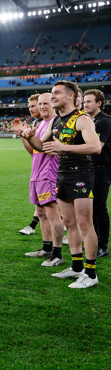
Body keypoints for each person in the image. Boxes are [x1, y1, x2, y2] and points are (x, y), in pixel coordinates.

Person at [22, 80, 101, 288]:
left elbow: (95, 147)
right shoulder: (57, 122)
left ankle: (91, 274)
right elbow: (41, 146)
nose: (53, 96)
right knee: (69, 223)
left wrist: (63, 148)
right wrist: (30, 137)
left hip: (81, 174)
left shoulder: (82, 119)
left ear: (70, 96)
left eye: (56, 93)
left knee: (85, 224)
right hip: (62, 174)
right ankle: (76, 268)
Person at [13, 93, 65, 266]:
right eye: (40, 104)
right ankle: (46, 248)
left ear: (54, 103)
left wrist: (30, 137)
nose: (42, 106)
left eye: (46, 103)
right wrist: (23, 135)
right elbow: (33, 151)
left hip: (49, 174)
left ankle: (57, 253)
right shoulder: (40, 123)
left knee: (52, 213)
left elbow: (44, 148)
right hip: (36, 173)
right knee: (41, 213)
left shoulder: (56, 123)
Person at [83, 89, 111, 258]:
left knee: (99, 207)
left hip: (102, 169)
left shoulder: (104, 121)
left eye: (89, 102)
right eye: (84, 102)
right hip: (90, 169)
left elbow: (97, 148)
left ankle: (103, 246)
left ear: (99, 103)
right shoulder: (89, 121)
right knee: (90, 208)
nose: (85, 104)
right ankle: (93, 241)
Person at [19, 94, 43, 235]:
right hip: (38, 167)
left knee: (46, 204)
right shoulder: (35, 124)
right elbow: (33, 152)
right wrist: (23, 136)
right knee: (41, 204)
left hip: (49, 169)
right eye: (29, 106)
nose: (30, 109)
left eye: (33, 106)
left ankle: (33, 226)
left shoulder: (50, 122)